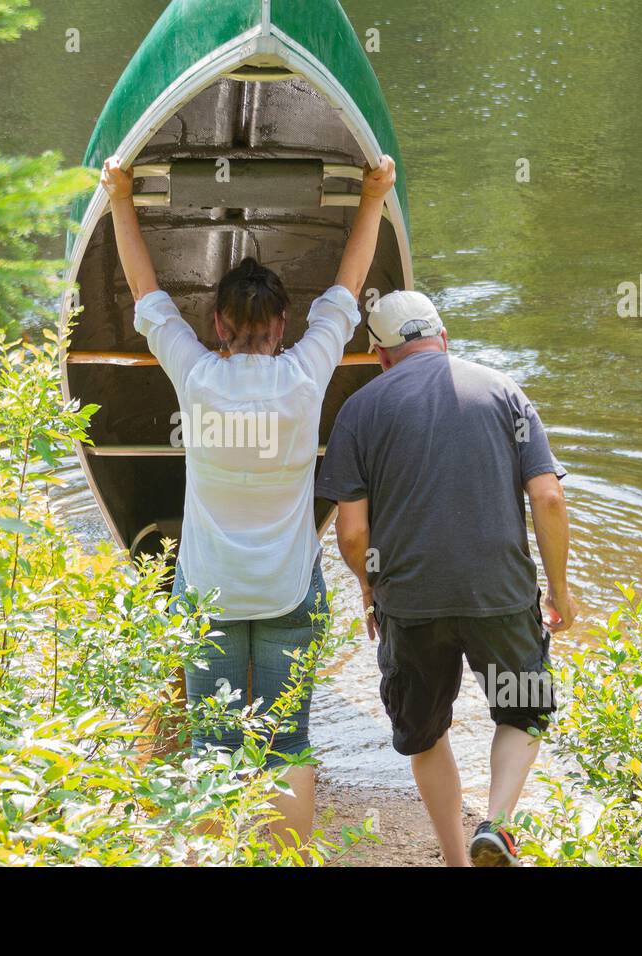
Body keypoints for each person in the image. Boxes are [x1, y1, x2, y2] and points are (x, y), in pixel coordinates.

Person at [100, 152, 396, 844]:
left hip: (209, 594)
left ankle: (218, 857)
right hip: (289, 591)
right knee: (287, 742)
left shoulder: (198, 377)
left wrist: (120, 198)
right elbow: (348, 290)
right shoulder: (305, 375)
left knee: (214, 743)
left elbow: (148, 299)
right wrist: (374, 195)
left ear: (219, 327)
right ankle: (284, 860)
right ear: (283, 324)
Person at [314, 289, 577, 866]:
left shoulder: (359, 411)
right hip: (501, 597)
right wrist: (558, 590)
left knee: (425, 732)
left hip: (411, 603)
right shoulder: (504, 392)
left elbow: (353, 535)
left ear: (381, 356)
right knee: (524, 709)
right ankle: (499, 825)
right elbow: (549, 498)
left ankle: (458, 862)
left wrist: (369, 587)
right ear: (444, 339)